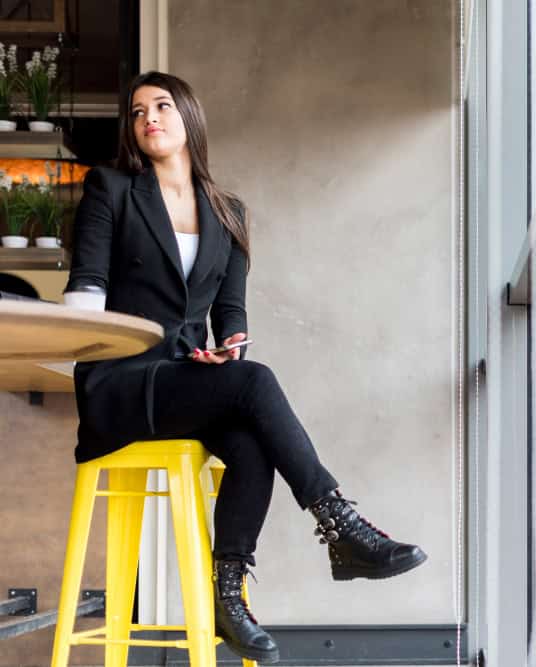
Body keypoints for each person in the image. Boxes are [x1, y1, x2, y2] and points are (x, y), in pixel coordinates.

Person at [65, 71, 428, 664]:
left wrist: (229, 346)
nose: (148, 118)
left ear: (189, 117)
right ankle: (340, 524)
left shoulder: (228, 212)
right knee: (255, 384)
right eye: (136, 112)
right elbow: (87, 290)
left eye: (161, 106)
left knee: (252, 441)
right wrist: (86, 338)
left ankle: (227, 599)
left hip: (182, 379)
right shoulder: (111, 188)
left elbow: (230, 314)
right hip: (121, 382)